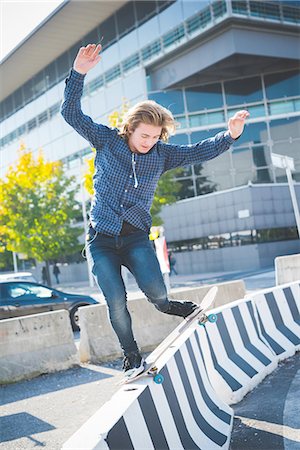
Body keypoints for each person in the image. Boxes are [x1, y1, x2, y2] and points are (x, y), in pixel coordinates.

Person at [61, 43, 249, 377]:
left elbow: (198, 151)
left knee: (158, 296)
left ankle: (176, 307)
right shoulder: (106, 140)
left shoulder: (162, 155)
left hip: (135, 238)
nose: (149, 141)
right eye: (144, 135)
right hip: (101, 239)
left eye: (155, 136)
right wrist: (78, 74)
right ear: (130, 128)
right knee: (115, 301)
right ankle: (131, 357)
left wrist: (229, 136)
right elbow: (71, 115)